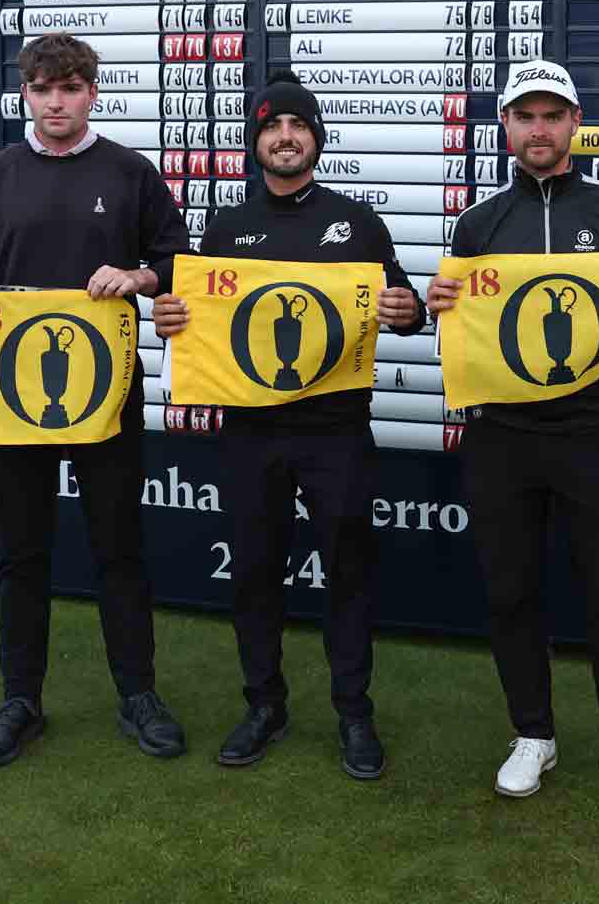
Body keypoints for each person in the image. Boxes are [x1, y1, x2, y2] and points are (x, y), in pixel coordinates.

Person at [0, 33, 192, 769]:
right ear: (25, 96)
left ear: (92, 92)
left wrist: (138, 279)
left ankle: (139, 695)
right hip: (12, 398)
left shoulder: (131, 173)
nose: (57, 102)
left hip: (106, 395)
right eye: (44, 90)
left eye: (71, 88)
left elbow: (178, 261)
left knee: (119, 550)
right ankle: (20, 700)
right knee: (21, 551)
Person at [151, 71, 426, 776]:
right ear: (256, 143)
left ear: (315, 139)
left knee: (349, 571)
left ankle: (353, 713)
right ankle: (264, 705)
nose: (284, 137)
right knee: (254, 572)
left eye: (297, 126)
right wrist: (172, 319)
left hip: (335, 429)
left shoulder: (357, 221)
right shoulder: (227, 227)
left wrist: (408, 310)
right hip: (249, 431)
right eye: (271, 127)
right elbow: (199, 325)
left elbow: (403, 301)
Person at [424, 61, 599, 806]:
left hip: (587, 430)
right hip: (500, 434)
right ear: (505, 127)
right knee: (511, 589)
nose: (539, 128)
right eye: (524, 115)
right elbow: (458, 336)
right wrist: (441, 302)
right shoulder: (477, 223)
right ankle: (532, 732)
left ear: (575, 122)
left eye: (552, 114)